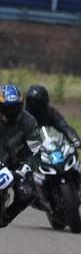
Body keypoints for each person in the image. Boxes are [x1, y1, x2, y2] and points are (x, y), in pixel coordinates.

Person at [0, 84, 42, 227]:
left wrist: (24, 169)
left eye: (15, 107)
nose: (12, 112)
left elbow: (37, 151)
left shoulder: (28, 121)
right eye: (7, 108)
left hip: (16, 163)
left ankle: (7, 217)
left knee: (29, 192)